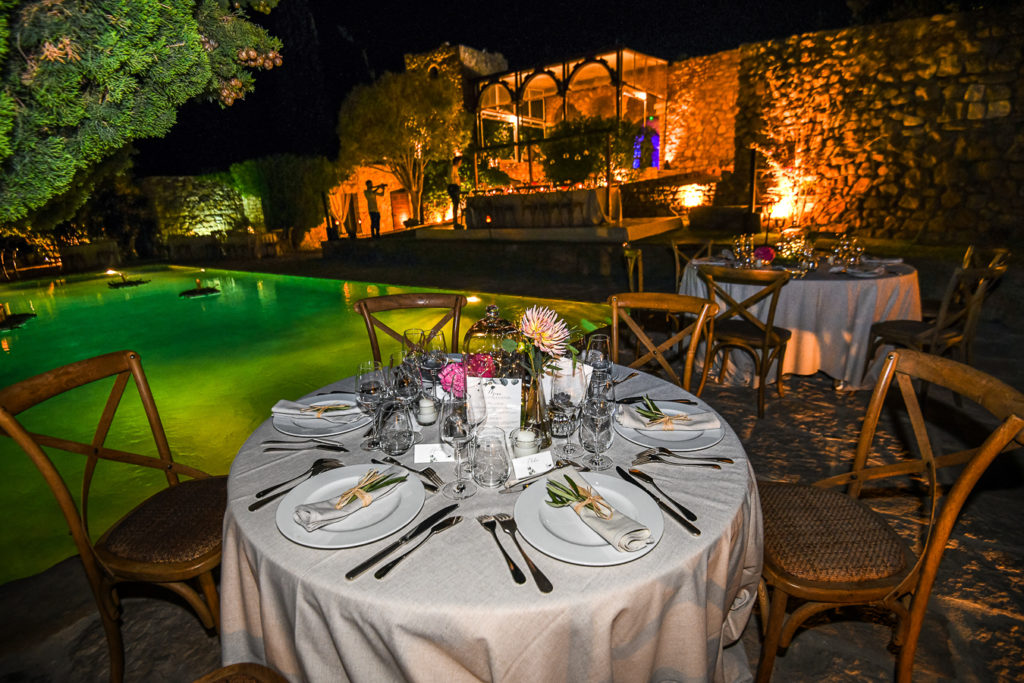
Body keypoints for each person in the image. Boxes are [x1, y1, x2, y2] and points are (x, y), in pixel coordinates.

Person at [447, 156, 462, 229]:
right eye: (460, 162)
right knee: (455, 203)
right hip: (453, 187)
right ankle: (455, 221)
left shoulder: (455, 169)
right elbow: (451, 178)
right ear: (456, 162)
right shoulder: (452, 168)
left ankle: (456, 221)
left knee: (456, 203)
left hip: (455, 187)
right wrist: (454, 185)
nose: (460, 164)